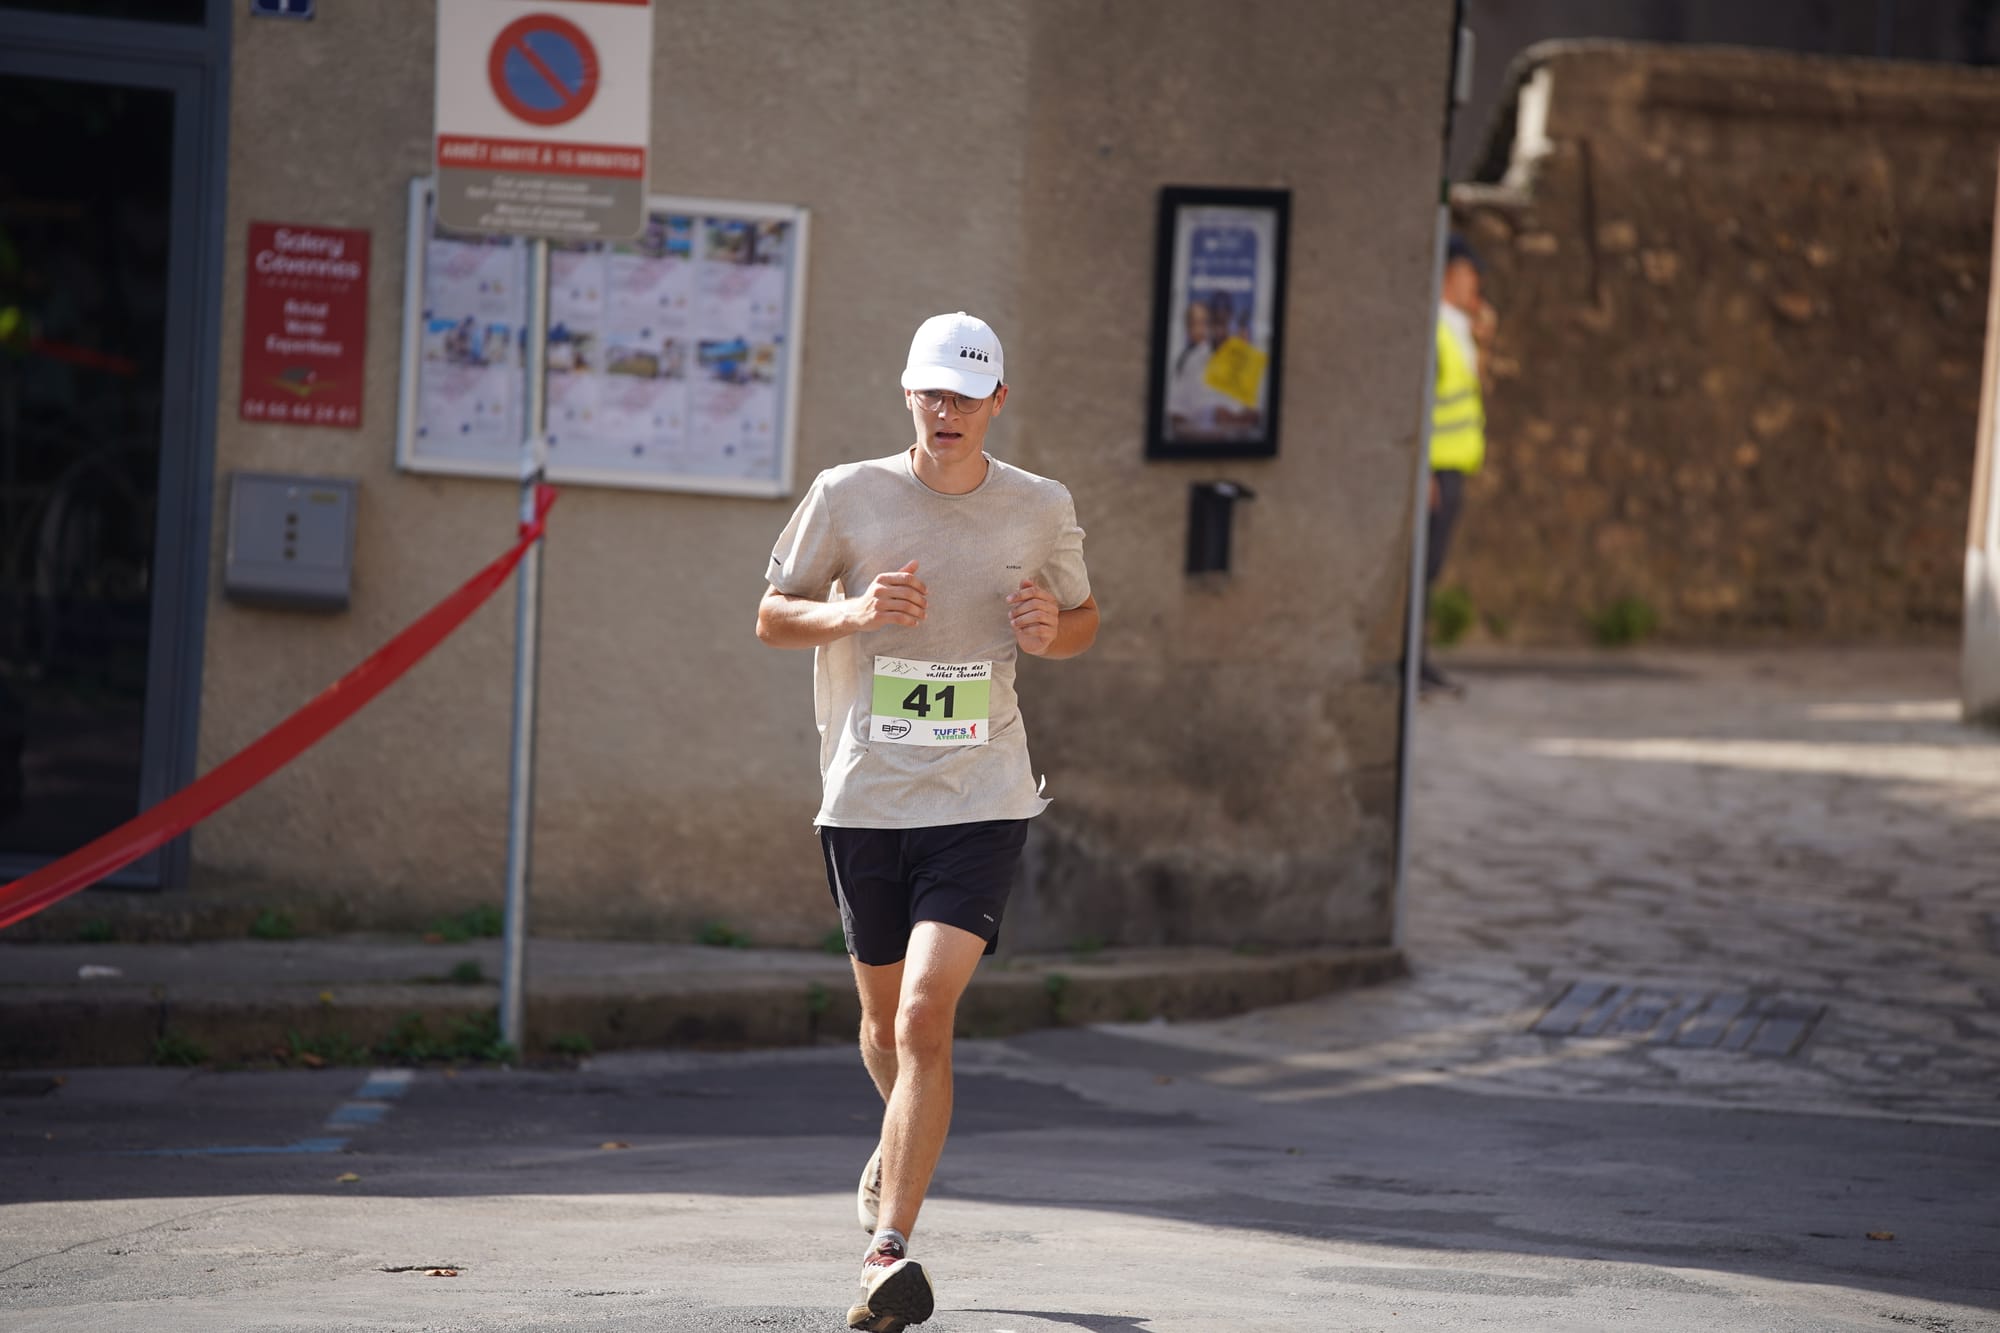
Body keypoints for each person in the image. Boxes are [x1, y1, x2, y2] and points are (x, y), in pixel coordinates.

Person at [755, 311, 1099, 1331]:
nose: (944, 410)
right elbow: (773, 615)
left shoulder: (1038, 508)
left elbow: (1081, 619)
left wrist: (1054, 629)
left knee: (920, 1018)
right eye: (929, 392)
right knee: (879, 1026)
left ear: (998, 401)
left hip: (981, 796)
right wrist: (853, 615)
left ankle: (885, 1252)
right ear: (907, 393)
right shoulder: (847, 494)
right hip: (864, 797)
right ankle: (896, 1147)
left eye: (965, 393)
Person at [1423, 233, 1495, 697]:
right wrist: (1422, 471)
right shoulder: (1435, 328)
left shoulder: (1457, 329)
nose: (1477, 284)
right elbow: (1422, 403)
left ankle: (1420, 658)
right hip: (1435, 469)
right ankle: (1408, 660)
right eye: (1471, 273)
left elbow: (1473, 389)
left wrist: (1485, 341)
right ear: (1451, 274)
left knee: (1431, 570)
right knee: (1420, 569)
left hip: (1453, 465)